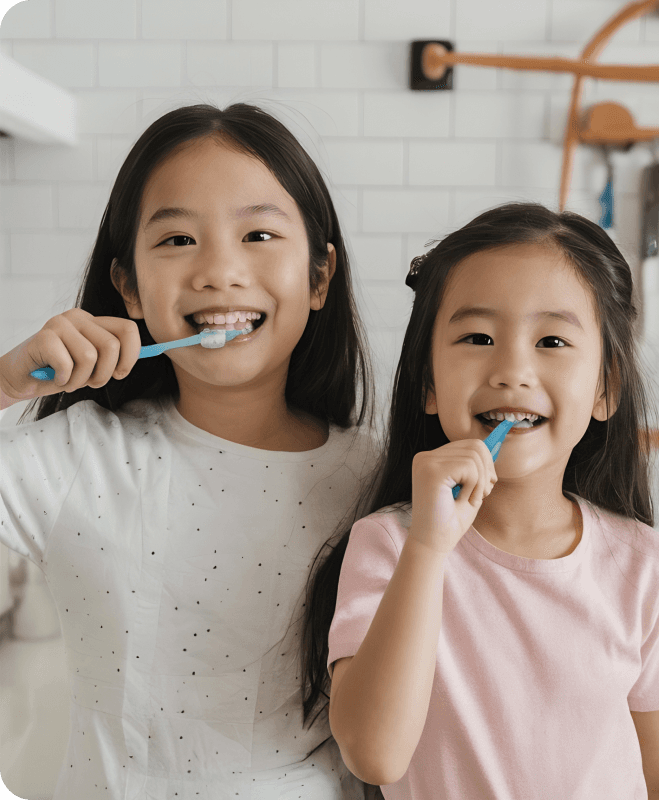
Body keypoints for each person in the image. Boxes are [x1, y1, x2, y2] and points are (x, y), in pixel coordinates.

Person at [0, 103, 384, 800]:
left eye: (259, 234)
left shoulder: (378, 482)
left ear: (320, 276)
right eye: (178, 239)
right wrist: (3, 381)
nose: (218, 271)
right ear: (128, 285)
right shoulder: (73, 459)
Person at [303, 203, 659, 799]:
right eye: (478, 337)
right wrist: (428, 547)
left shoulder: (645, 567)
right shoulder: (391, 546)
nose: (512, 369)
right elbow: (375, 755)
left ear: (605, 389)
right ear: (428, 383)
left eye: (551, 340)